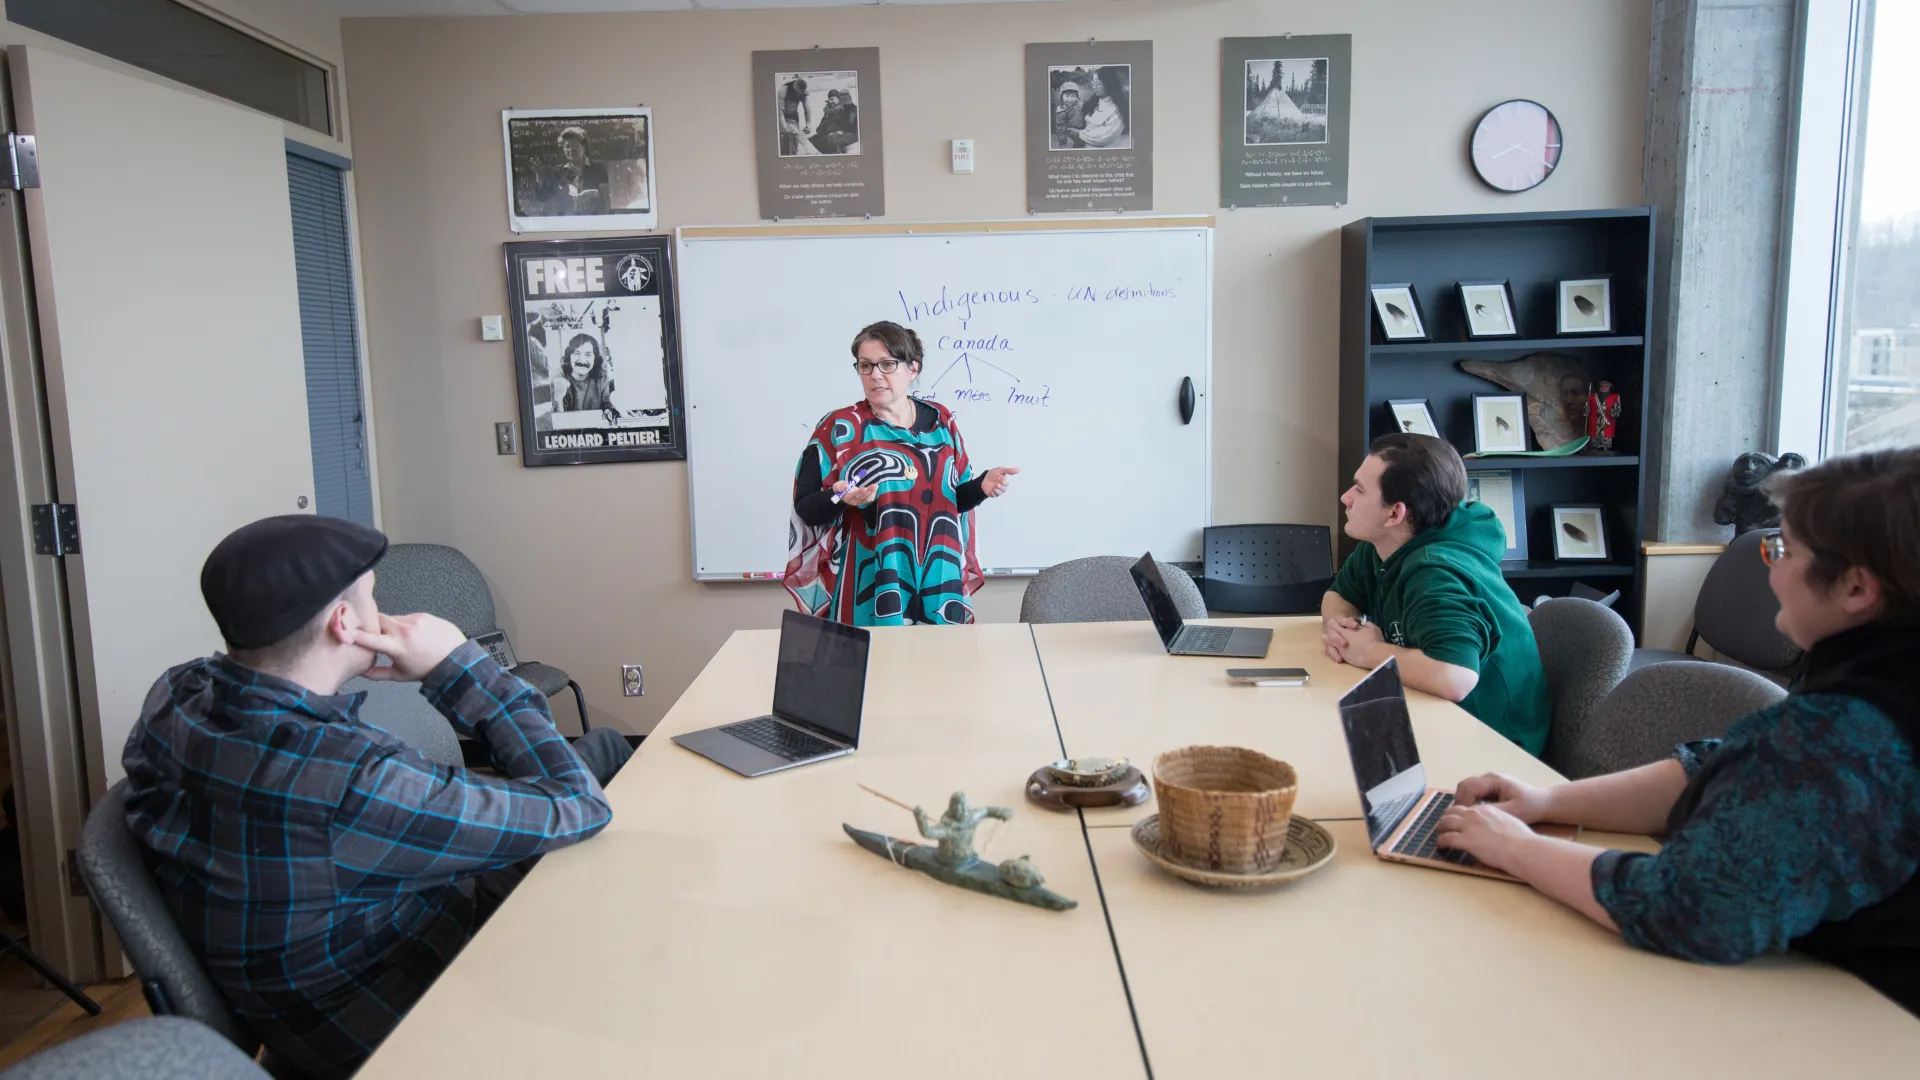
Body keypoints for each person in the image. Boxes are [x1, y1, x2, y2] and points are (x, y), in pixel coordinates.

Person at [122, 515, 633, 1079]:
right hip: (413, 999)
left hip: (357, 921)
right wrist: (457, 664)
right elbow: (578, 804)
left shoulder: (177, 695)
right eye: (371, 595)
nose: (381, 608)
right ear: (345, 623)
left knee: (604, 749)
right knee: (597, 818)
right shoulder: (346, 780)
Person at [1434, 448, 1920, 1016]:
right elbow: (1720, 767)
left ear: (1857, 589)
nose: (1770, 564)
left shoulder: (1846, 737)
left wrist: (1516, 849)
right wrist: (1546, 800)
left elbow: (1687, 909)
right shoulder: (1877, 677)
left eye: (1784, 548)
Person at [1322, 433, 1550, 755]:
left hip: (1494, 744)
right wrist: (1342, 629)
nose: (1346, 498)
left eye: (1359, 490)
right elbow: (1339, 596)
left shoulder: (1435, 573)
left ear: (1394, 514)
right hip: (1430, 714)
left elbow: (1454, 677)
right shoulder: (1386, 544)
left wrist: (1367, 652)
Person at [785, 321, 1020, 626]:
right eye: (865, 366)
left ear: (912, 369)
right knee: (876, 669)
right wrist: (841, 496)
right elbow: (806, 508)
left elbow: (949, 501)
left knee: (941, 668)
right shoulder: (840, 428)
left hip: (939, 575)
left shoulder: (941, 421)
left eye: (887, 364)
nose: (875, 375)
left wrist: (980, 488)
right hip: (872, 579)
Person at [547, 126, 608, 214]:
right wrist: (540, 180)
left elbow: (609, 197)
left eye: (575, 146)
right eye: (567, 147)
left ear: (584, 147)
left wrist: (595, 194)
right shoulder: (558, 171)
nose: (571, 150)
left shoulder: (599, 168)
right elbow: (544, 198)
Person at [555, 332, 616, 416]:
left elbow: (608, 406)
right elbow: (557, 420)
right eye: (577, 353)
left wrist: (611, 411)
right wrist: (557, 399)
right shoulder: (559, 379)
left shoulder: (601, 380)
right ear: (569, 356)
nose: (582, 360)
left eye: (588, 354)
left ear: (595, 358)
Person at [1071, 67, 1130, 149]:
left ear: (1109, 84)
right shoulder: (1095, 101)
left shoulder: (1119, 109)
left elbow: (1105, 136)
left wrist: (1079, 134)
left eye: (1098, 84)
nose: (1094, 87)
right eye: (1093, 83)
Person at [810, 89, 859, 155]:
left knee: (830, 138)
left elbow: (848, 123)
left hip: (849, 133)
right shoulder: (830, 108)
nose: (831, 101)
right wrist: (819, 128)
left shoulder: (847, 108)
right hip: (828, 130)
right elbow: (825, 120)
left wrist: (842, 130)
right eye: (830, 99)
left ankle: (837, 154)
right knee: (814, 139)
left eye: (833, 99)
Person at [778, 76, 812, 156]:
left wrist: (808, 125)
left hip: (793, 115)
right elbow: (780, 110)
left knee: (795, 137)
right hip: (783, 115)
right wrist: (784, 126)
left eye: (801, 93)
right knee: (788, 135)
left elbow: (807, 110)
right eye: (798, 92)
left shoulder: (804, 92)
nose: (799, 94)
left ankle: (795, 154)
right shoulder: (783, 90)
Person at [1051, 82, 1085, 149]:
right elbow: (1060, 127)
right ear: (1062, 97)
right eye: (1067, 96)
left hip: (1083, 131)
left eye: (1073, 96)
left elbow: (1083, 109)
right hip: (1071, 134)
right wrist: (1062, 142)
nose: (1070, 99)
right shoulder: (1062, 111)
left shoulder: (1078, 105)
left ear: (1077, 97)